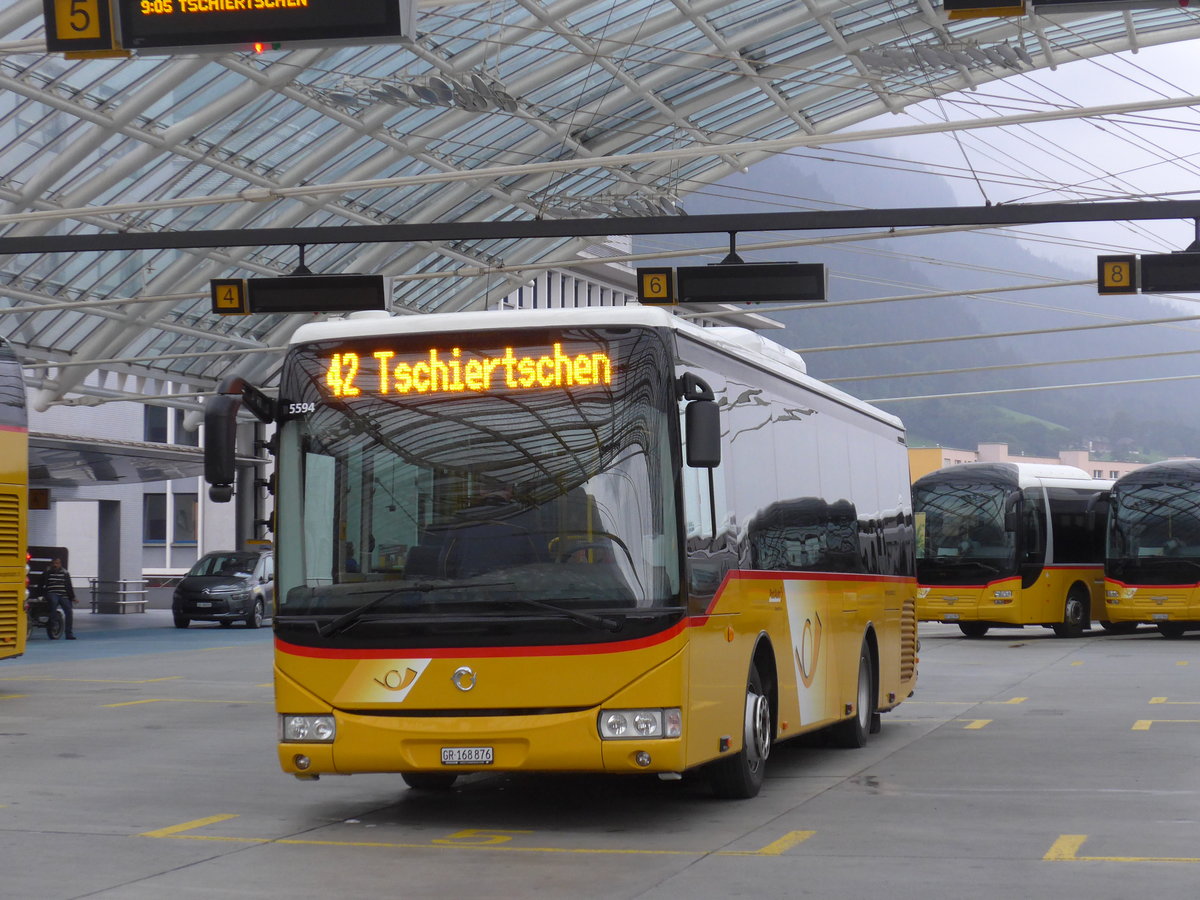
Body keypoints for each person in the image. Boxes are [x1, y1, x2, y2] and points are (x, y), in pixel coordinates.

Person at [38, 557, 77, 640]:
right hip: (52, 593)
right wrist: (40, 594)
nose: (55, 565)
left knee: (69, 611)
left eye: (57, 563)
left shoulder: (65, 573)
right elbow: (41, 583)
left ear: (60, 564)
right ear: (51, 564)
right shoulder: (48, 572)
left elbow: (69, 586)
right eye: (54, 563)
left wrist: (73, 597)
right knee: (53, 603)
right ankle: (53, 624)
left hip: (63, 595)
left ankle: (69, 633)